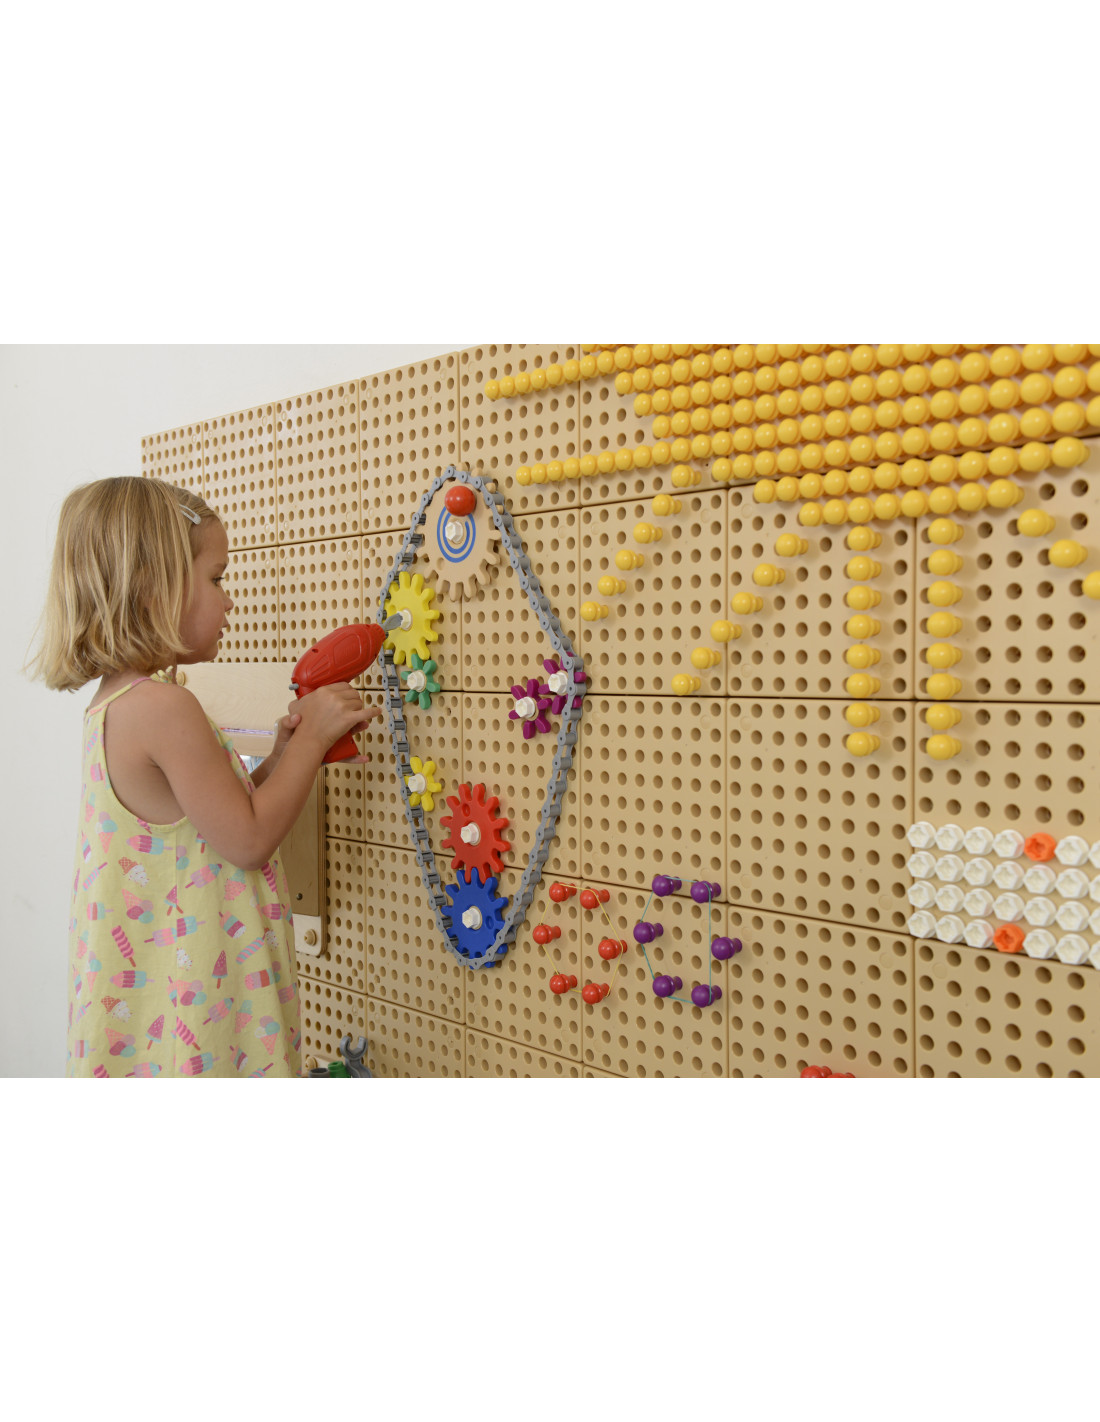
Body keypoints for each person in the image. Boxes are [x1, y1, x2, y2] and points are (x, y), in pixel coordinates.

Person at [27, 476, 379, 1077]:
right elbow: (247, 839)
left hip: (156, 1011)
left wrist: (283, 755)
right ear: (153, 588)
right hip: (197, 1013)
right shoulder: (165, 708)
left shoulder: (117, 704)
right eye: (216, 579)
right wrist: (314, 738)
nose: (230, 601)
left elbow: (209, 823)